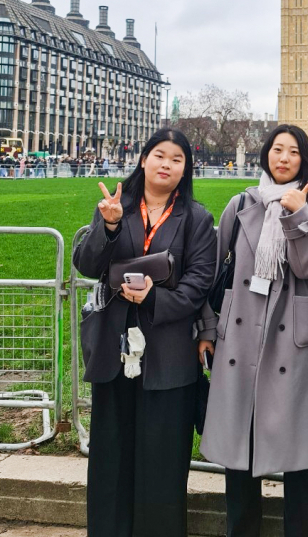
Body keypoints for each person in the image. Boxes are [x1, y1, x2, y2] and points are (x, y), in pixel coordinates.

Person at [73, 128, 217, 537]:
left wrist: (153, 298)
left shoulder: (198, 219)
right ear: (143, 160)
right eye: (159, 155)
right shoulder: (117, 207)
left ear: (186, 168)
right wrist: (110, 227)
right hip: (115, 353)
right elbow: (86, 264)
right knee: (111, 461)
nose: (166, 164)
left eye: (176, 158)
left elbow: (198, 282)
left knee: (161, 466)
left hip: (167, 356)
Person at [197, 124, 308, 537]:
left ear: (304, 160)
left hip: (294, 339)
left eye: (293, 152)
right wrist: (207, 326)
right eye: (277, 149)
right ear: (265, 155)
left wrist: (296, 215)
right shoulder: (241, 203)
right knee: (241, 446)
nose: (284, 158)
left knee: (300, 454)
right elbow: (209, 273)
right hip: (240, 337)